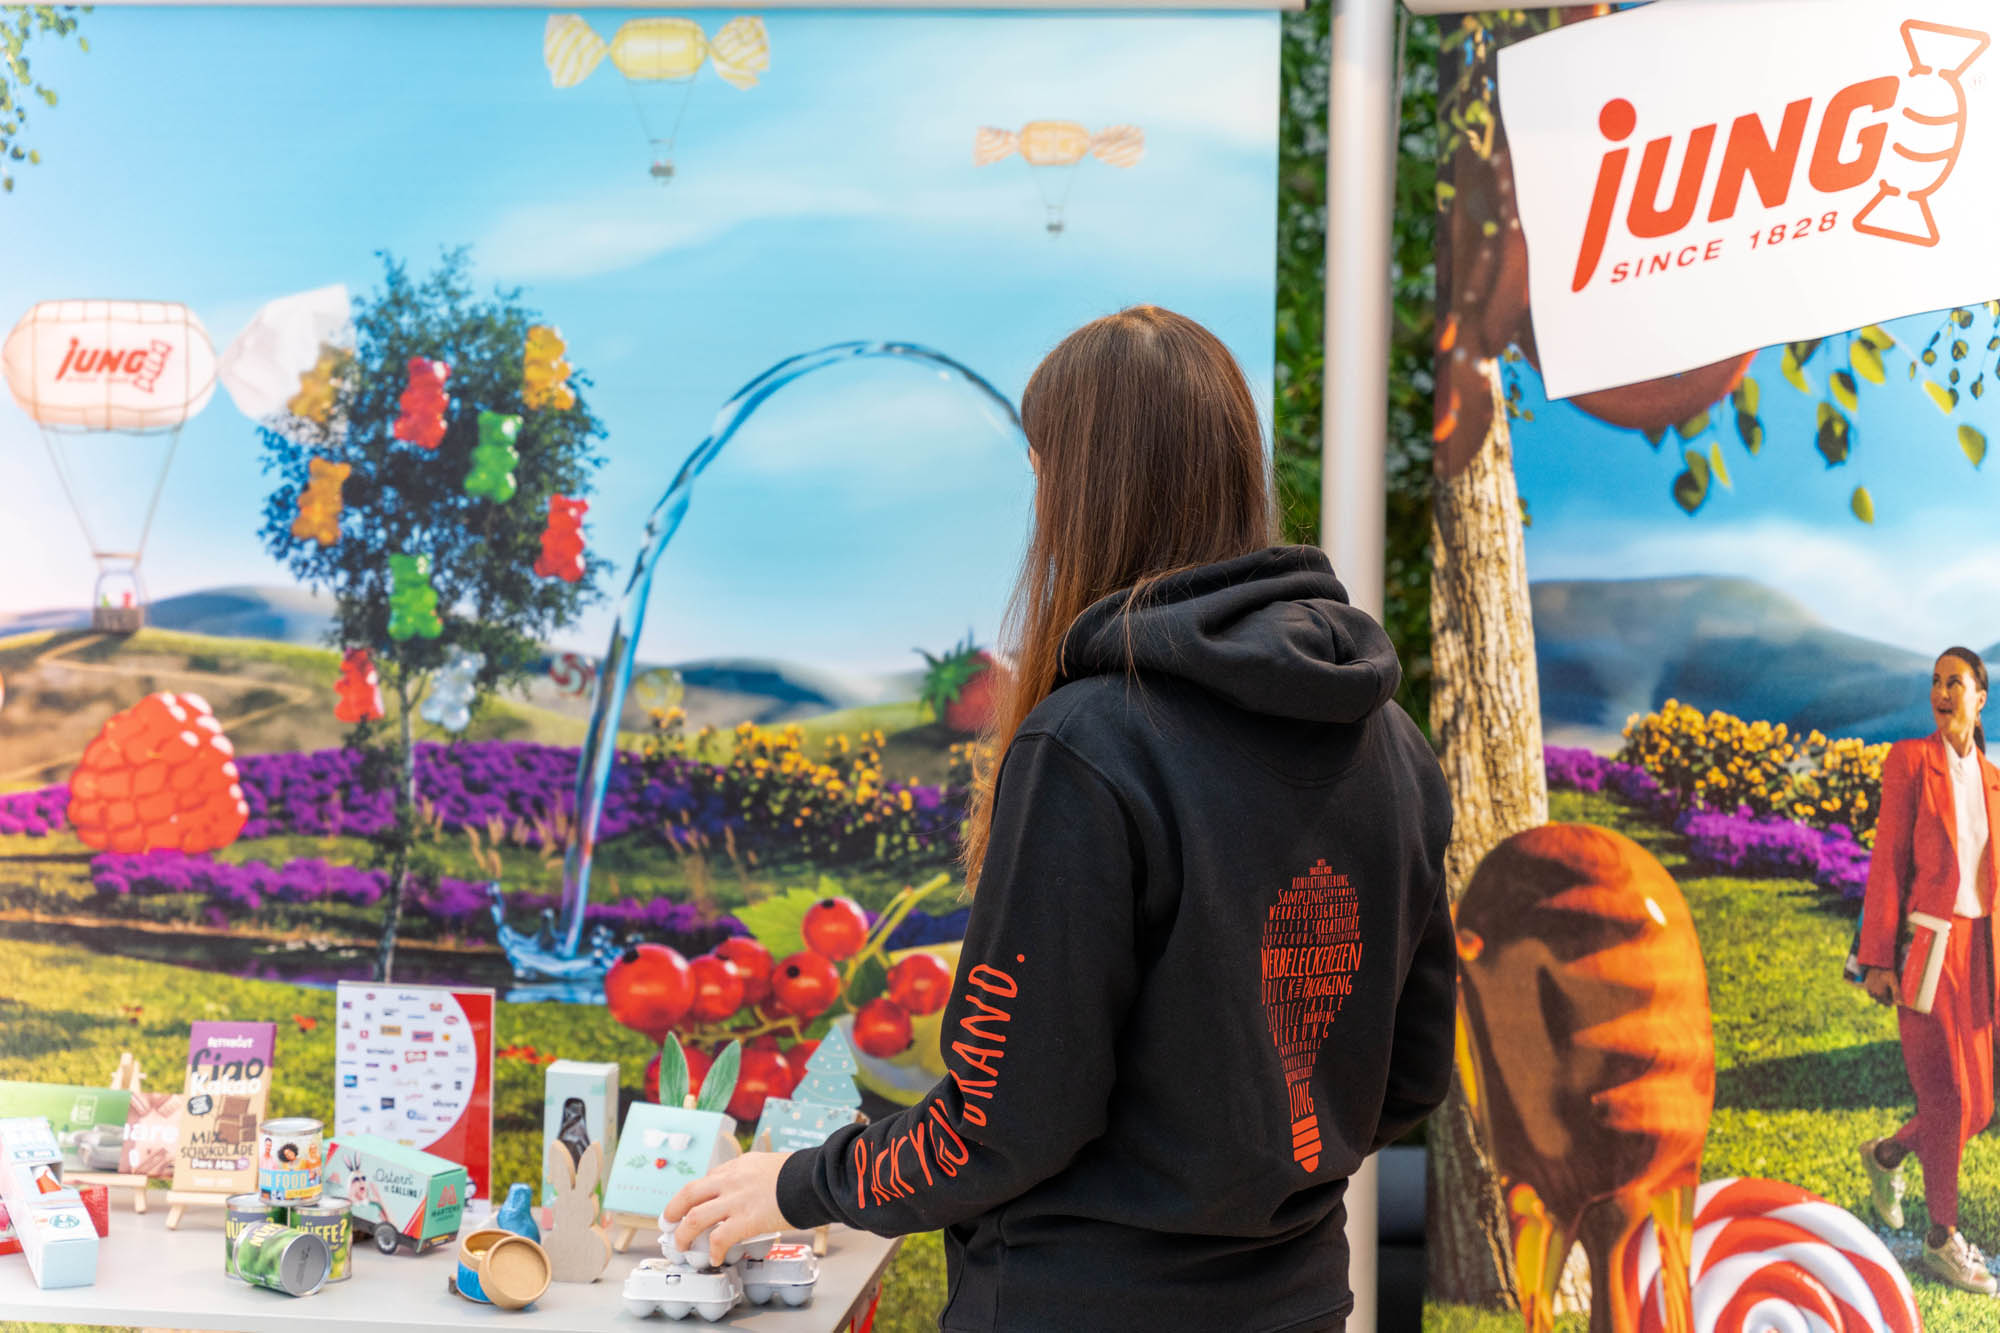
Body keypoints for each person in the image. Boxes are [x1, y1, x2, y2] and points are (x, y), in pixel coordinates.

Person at [662, 306, 1457, 1332]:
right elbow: (1409, 1074)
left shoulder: (1086, 743)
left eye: (1040, 475)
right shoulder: (1390, 741)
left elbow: (999, 1124)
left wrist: (801, 1182)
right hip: (1298, 1300)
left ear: (1079, 491)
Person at [1858, 646, 2000, 1294]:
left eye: (1955, 682)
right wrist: (1876, 959)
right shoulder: (1910, 761)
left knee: (1980, 1107)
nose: (1942, 692)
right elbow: (1887, 860)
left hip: (1982, 951)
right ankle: (1942, 1239)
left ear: (1981, 698)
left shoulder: (1993, 780)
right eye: (1936, 682)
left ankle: (1888, 1153)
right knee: (1947, 1098)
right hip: (1928, 947)